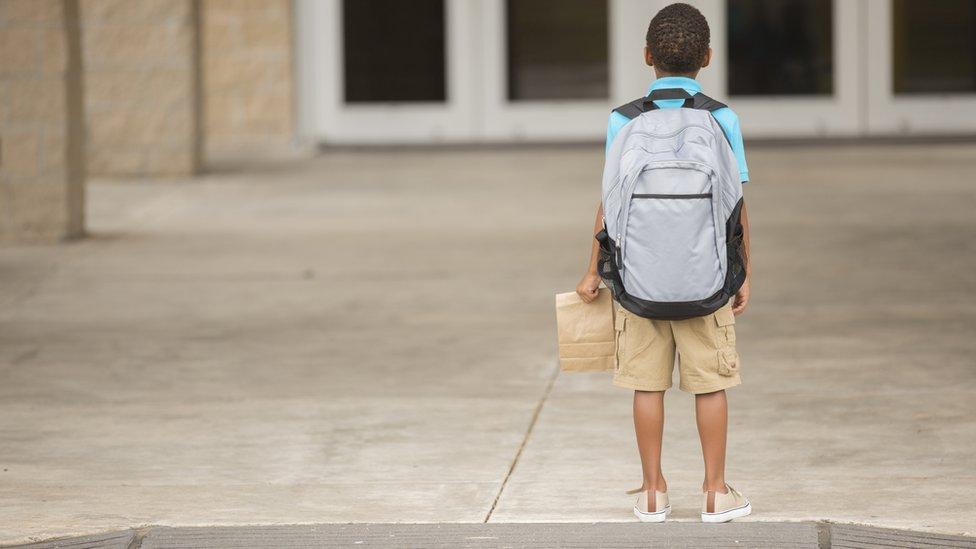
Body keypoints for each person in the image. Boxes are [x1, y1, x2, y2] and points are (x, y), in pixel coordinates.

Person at [576, 3, 753, 523]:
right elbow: (735, 204)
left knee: (646, 385)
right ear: (708, 57)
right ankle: (716, 492)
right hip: (707, 275)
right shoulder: (721, 118)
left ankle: (653, 492)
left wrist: (593, 270)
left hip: (638, 278)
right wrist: (742, 272)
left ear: (647, 56)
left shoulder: (622, 120)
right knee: (710, 384)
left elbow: (609, 203)